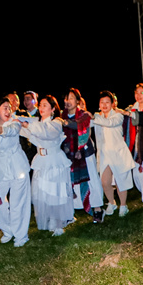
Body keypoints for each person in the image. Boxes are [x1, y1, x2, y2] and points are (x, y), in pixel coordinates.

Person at [19, 95, 74, 236]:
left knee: (55, 192)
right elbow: (31, 133)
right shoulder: (37, 123)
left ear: (53, 108)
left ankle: (58, 223)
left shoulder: (55, 123)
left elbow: (46, 133)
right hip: (41, 160)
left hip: (54, 160)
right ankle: (50, 219)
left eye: (45, 105)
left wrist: (28, 126)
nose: (42, 108)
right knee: (42, 192)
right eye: (41, 105)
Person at [0, 97, 32, 247]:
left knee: (19, 203)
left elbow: (6, 132)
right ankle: (8, 229)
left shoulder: (15, 123)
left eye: (10, 108)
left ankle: (21, 235)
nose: (8, 111)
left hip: (18, 167)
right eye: (5, 107)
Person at [61, 88, 104, 223]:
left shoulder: (84, 116)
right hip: (68, 155)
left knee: (91, 181)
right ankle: (71, 212)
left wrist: (65, 123)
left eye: (71, 98)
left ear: (78, 101)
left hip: (85, 153)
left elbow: (79, 126)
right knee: (72, 182)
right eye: (66, 98)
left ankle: (97, 210)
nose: (68, 101)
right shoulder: (61, 116)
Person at [91, 91, 135, 217]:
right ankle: (111, 202)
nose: (104, 105)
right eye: (102, 102)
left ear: (112, 104)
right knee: (105, 182)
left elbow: (109, 123)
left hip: (118, 153)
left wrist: (94, 117)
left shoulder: (117, 115)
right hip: (104, 155)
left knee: (120, 181)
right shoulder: (98, 117)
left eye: (107, 102)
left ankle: (123, 205)